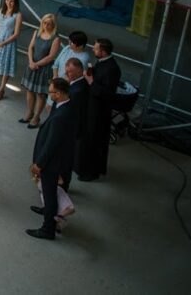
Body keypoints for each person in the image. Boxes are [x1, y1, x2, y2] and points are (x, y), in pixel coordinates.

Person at [27, 77, 78, 241]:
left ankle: (47, 228)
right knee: (49, 193)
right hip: (59, 160)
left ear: (59, 93)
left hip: (51, 163)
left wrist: (39, 164)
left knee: (49, 194)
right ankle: (47, 210)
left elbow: (51, 144)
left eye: (51, 92)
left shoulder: (60, 116)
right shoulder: (66, 107)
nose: (50, 95)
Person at [76, 38, 121, 182]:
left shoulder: (112, 69)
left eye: (96, 49)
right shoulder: (103, 63)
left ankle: (91, 171)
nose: (93, 50)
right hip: (92, 107)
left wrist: (91, 82)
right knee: (87, 139)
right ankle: (84, 167)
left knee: (94, 141)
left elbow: (108, 93)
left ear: (103, 51)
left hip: (99, 112)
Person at [20, 14, 61, 129]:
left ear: (53, 25)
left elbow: (51, 57)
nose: (46, 25)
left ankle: (36, 116)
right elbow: (30, 48)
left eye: (49, 24)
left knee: (40, 94)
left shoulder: (55, 38)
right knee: (29, 90)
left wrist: (36, 64)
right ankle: (30, 112)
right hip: (33, 65)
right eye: (44, 23)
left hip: (44, 69)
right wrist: (31, 61)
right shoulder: (37, 32)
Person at [63, 57, 89, 191]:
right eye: (66, 72)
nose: (68, 74)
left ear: (80, 71)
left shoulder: (78, 90)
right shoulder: (76, 84)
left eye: (70, 72)